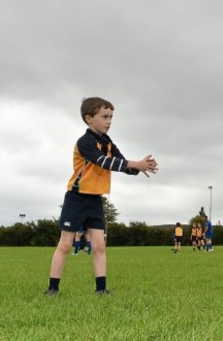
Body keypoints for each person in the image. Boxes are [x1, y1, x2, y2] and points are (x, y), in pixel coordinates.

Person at [45, 97, 158, 296]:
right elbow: (103, 162)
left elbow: (122, 164)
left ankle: (101, 289)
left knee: (99, 245)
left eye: (111, 117)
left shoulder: (108, 143)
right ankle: (53, 288)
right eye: (104, 117)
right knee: (64, 245)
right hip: (76, 198)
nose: (109, 121)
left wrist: (141, 167)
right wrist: (134, 164)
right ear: (89, 119)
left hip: (96, 200)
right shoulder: (85, 142)